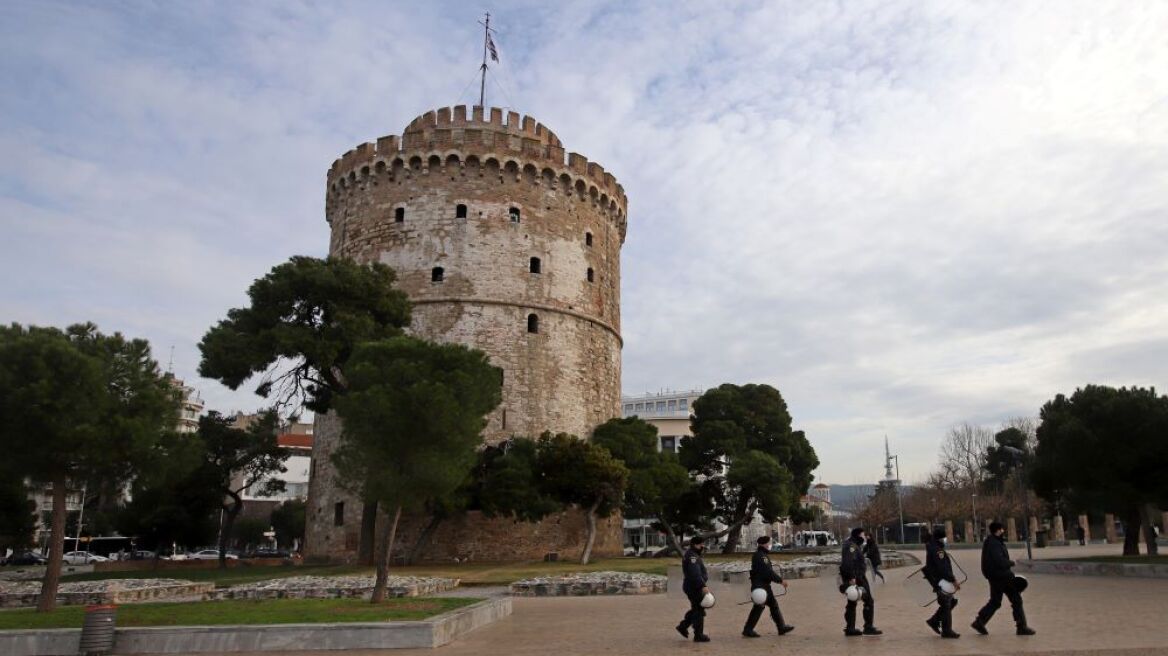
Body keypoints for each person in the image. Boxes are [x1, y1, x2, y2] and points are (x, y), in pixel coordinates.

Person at [971, 521, 1035, 636]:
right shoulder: (994, 543)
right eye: (1002, 529)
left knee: (995, 601)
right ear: (998, 530)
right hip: (1002, 577)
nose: (1003, 531)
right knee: (1016, 600)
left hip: (996, 576)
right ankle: (1021, 627)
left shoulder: (991, 542)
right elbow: (999, 561)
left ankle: (979, 622)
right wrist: (1011, 563)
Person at [742, 536, 794, 638]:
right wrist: (780, 581)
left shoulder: (761, 555)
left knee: (773, 605)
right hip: (760, 587)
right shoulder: (761, 556)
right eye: (768, 543)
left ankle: (781, 627)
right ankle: (748, 630)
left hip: (764, 586)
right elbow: (768, 572)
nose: (769, 545)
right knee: (758, 607)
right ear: (763, 544)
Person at [839, 527, 882, 637]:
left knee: (852, 601)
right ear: (858, 535)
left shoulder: (852, 544)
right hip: (857, 577)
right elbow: (848, 562)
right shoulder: (852, 546)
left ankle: (851, 627)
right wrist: (852, 577)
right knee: (868, 600)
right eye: (863, 535)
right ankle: (867, 627)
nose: (864, 537)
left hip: (856, 576)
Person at [923, 527, 960, 639]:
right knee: (947, 603)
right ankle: (946, 630)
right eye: (944, 537)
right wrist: (953, 580)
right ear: (940, 538)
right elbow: (943, 568)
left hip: (937, 580)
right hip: (940, 580)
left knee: (949, 602)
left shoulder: (933, 547)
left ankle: (934, 621)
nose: (945, 540)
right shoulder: (937, 550)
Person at [676, 536, 711, 643]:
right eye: (701, 544)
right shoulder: (692, 556)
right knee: (699, 610)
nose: (703, 546)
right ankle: (698, 635)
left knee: (697, 609)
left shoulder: (693, 554)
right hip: (694, 587)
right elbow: (695, 574)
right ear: (695, 545)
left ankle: (683, 626)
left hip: (692, 586)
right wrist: (702, 586)